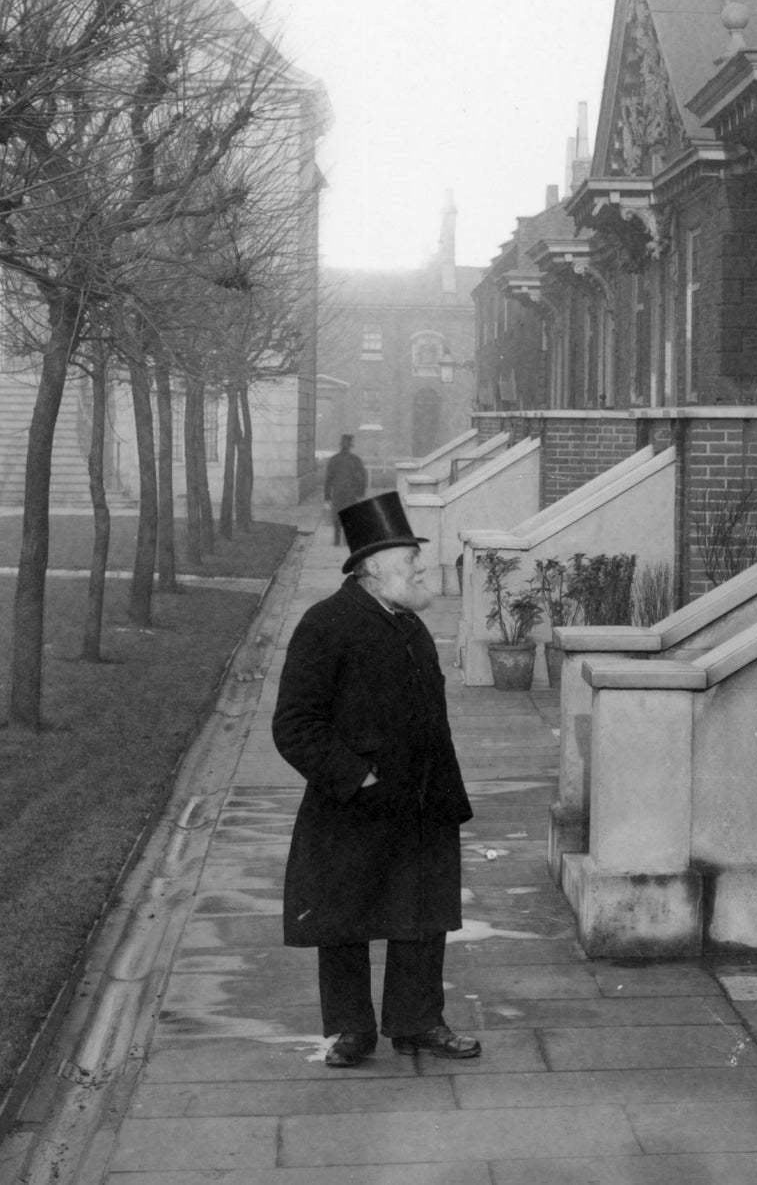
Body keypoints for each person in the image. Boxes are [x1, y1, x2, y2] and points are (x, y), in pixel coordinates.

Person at [271, 490, 480, 1065]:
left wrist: (445, 790)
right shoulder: (326, 624)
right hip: (354, 804)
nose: (422, 570)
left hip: (421, 798)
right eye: (411, 562)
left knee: (422, 913)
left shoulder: (407, 624)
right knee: (343, 919)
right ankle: (350, 1031)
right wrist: (356, 777)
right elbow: (294, 725)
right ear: (374, 569)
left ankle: (417, 1021)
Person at [322, 435, 369, 540]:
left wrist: (327, 496)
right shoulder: (355, 460)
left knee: (338, 515)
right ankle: (344, 539)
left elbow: (328, 479)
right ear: (351, 446)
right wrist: (361, 492)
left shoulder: (334, 460)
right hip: (349, 492)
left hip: (339, 492)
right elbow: (362, 477)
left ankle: (337, 538)